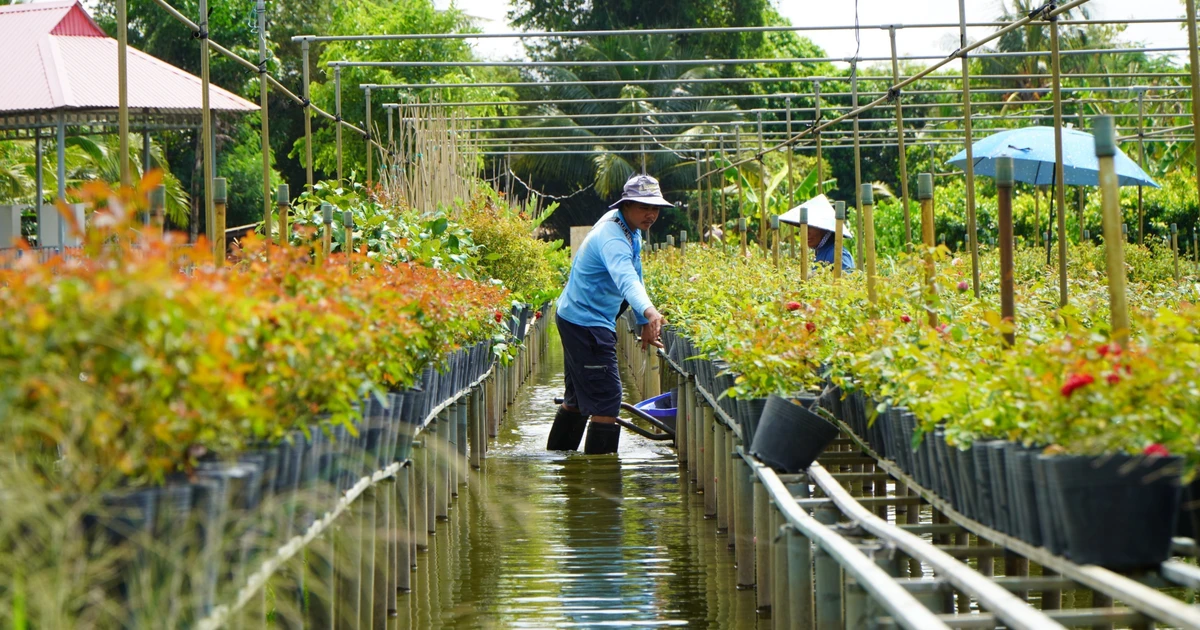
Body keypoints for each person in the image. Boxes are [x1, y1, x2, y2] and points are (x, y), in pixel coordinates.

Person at [547, 174, 670, 454]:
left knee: (578, 399)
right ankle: (600, 486)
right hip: (586, 321)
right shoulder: (612, 237)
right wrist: (651, 313)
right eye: (643, 207)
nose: (651, 214)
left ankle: (560, 463)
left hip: (575, 316)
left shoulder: (628, 227)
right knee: (608, 400)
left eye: (655, 208)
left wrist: (641, 320)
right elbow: (625, 278)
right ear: (626, 205)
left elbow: (635, 272)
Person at [781, 194, 855, 271]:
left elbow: (846, 279)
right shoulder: (820, 253)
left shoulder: (839, 254)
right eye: (803, 228)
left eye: (810, 227)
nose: (806, 233)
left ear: (824, 229)